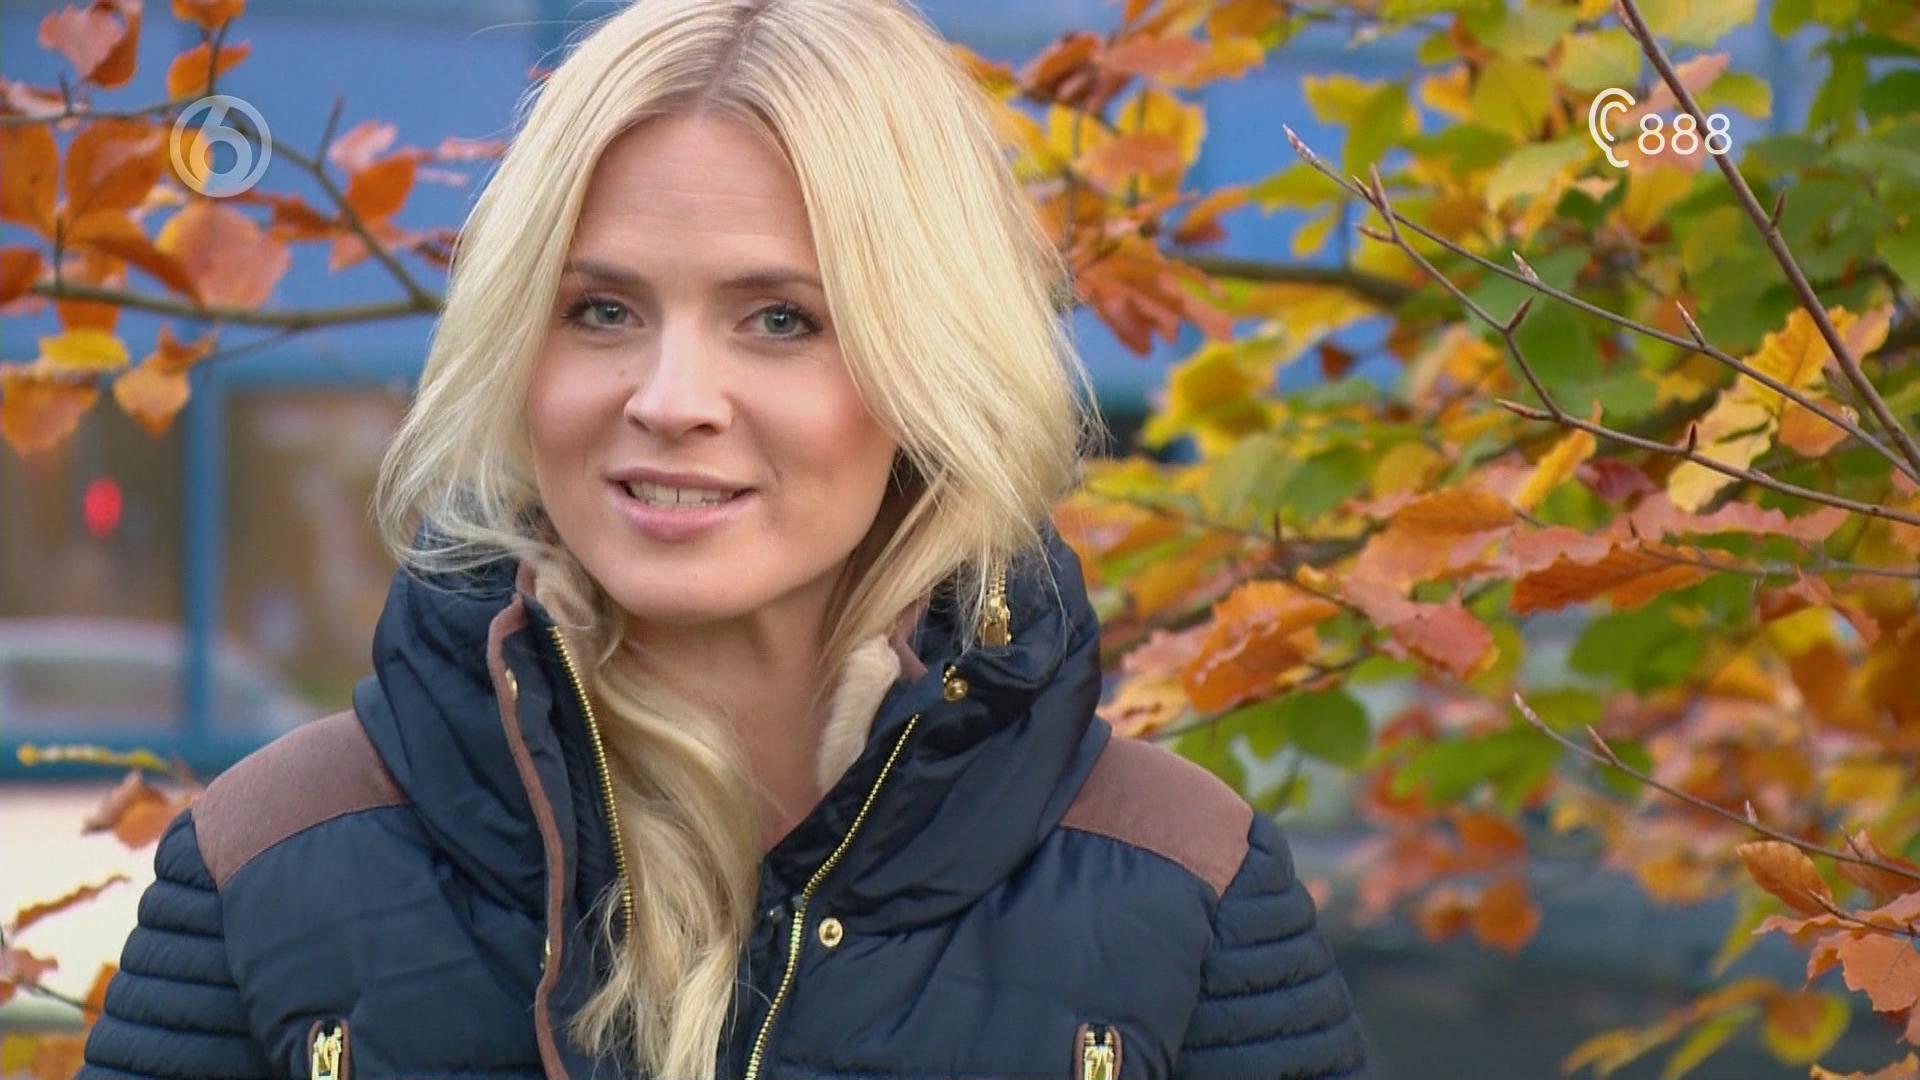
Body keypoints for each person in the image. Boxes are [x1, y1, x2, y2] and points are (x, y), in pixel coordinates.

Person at [78, 0, 1369, 1076]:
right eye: (601, 310)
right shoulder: (266, 868)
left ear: (929, 370)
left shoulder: (1185, 894)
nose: (671, 398)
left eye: (781, 320)